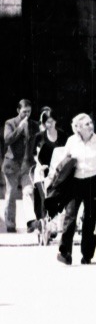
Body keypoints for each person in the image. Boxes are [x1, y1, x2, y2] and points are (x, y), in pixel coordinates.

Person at [53, 113, 96, 265]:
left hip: (95, 181)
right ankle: (65, 252)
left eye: (91, 123)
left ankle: (87, 254)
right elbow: (64, 161)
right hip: (75, 182)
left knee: (90, 218)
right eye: (86, 124)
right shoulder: (72, 141)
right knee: (70, 216)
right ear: (78, 128)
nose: (90, 126)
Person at [3, 98, 36, 233]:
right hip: (12, 164)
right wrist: (20, 127)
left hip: (27, 165)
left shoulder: (34, 125)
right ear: (18, 111)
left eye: (28, 112)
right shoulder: (10, 123)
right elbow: (7, 139)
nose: (26, 115)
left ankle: (30, 222)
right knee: (11, 194)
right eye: (24, 112)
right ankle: (10, 225)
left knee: (28, 192)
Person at [29, 108, 62, 233]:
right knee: (43, 197)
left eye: (52, 120)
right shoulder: (38, 137)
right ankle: (43, 223)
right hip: (42, 170)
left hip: (56, 171)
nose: (50, 124)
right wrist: (40, 165)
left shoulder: (61, 135)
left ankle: (53, 225)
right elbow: (33, 154)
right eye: (47, 121)